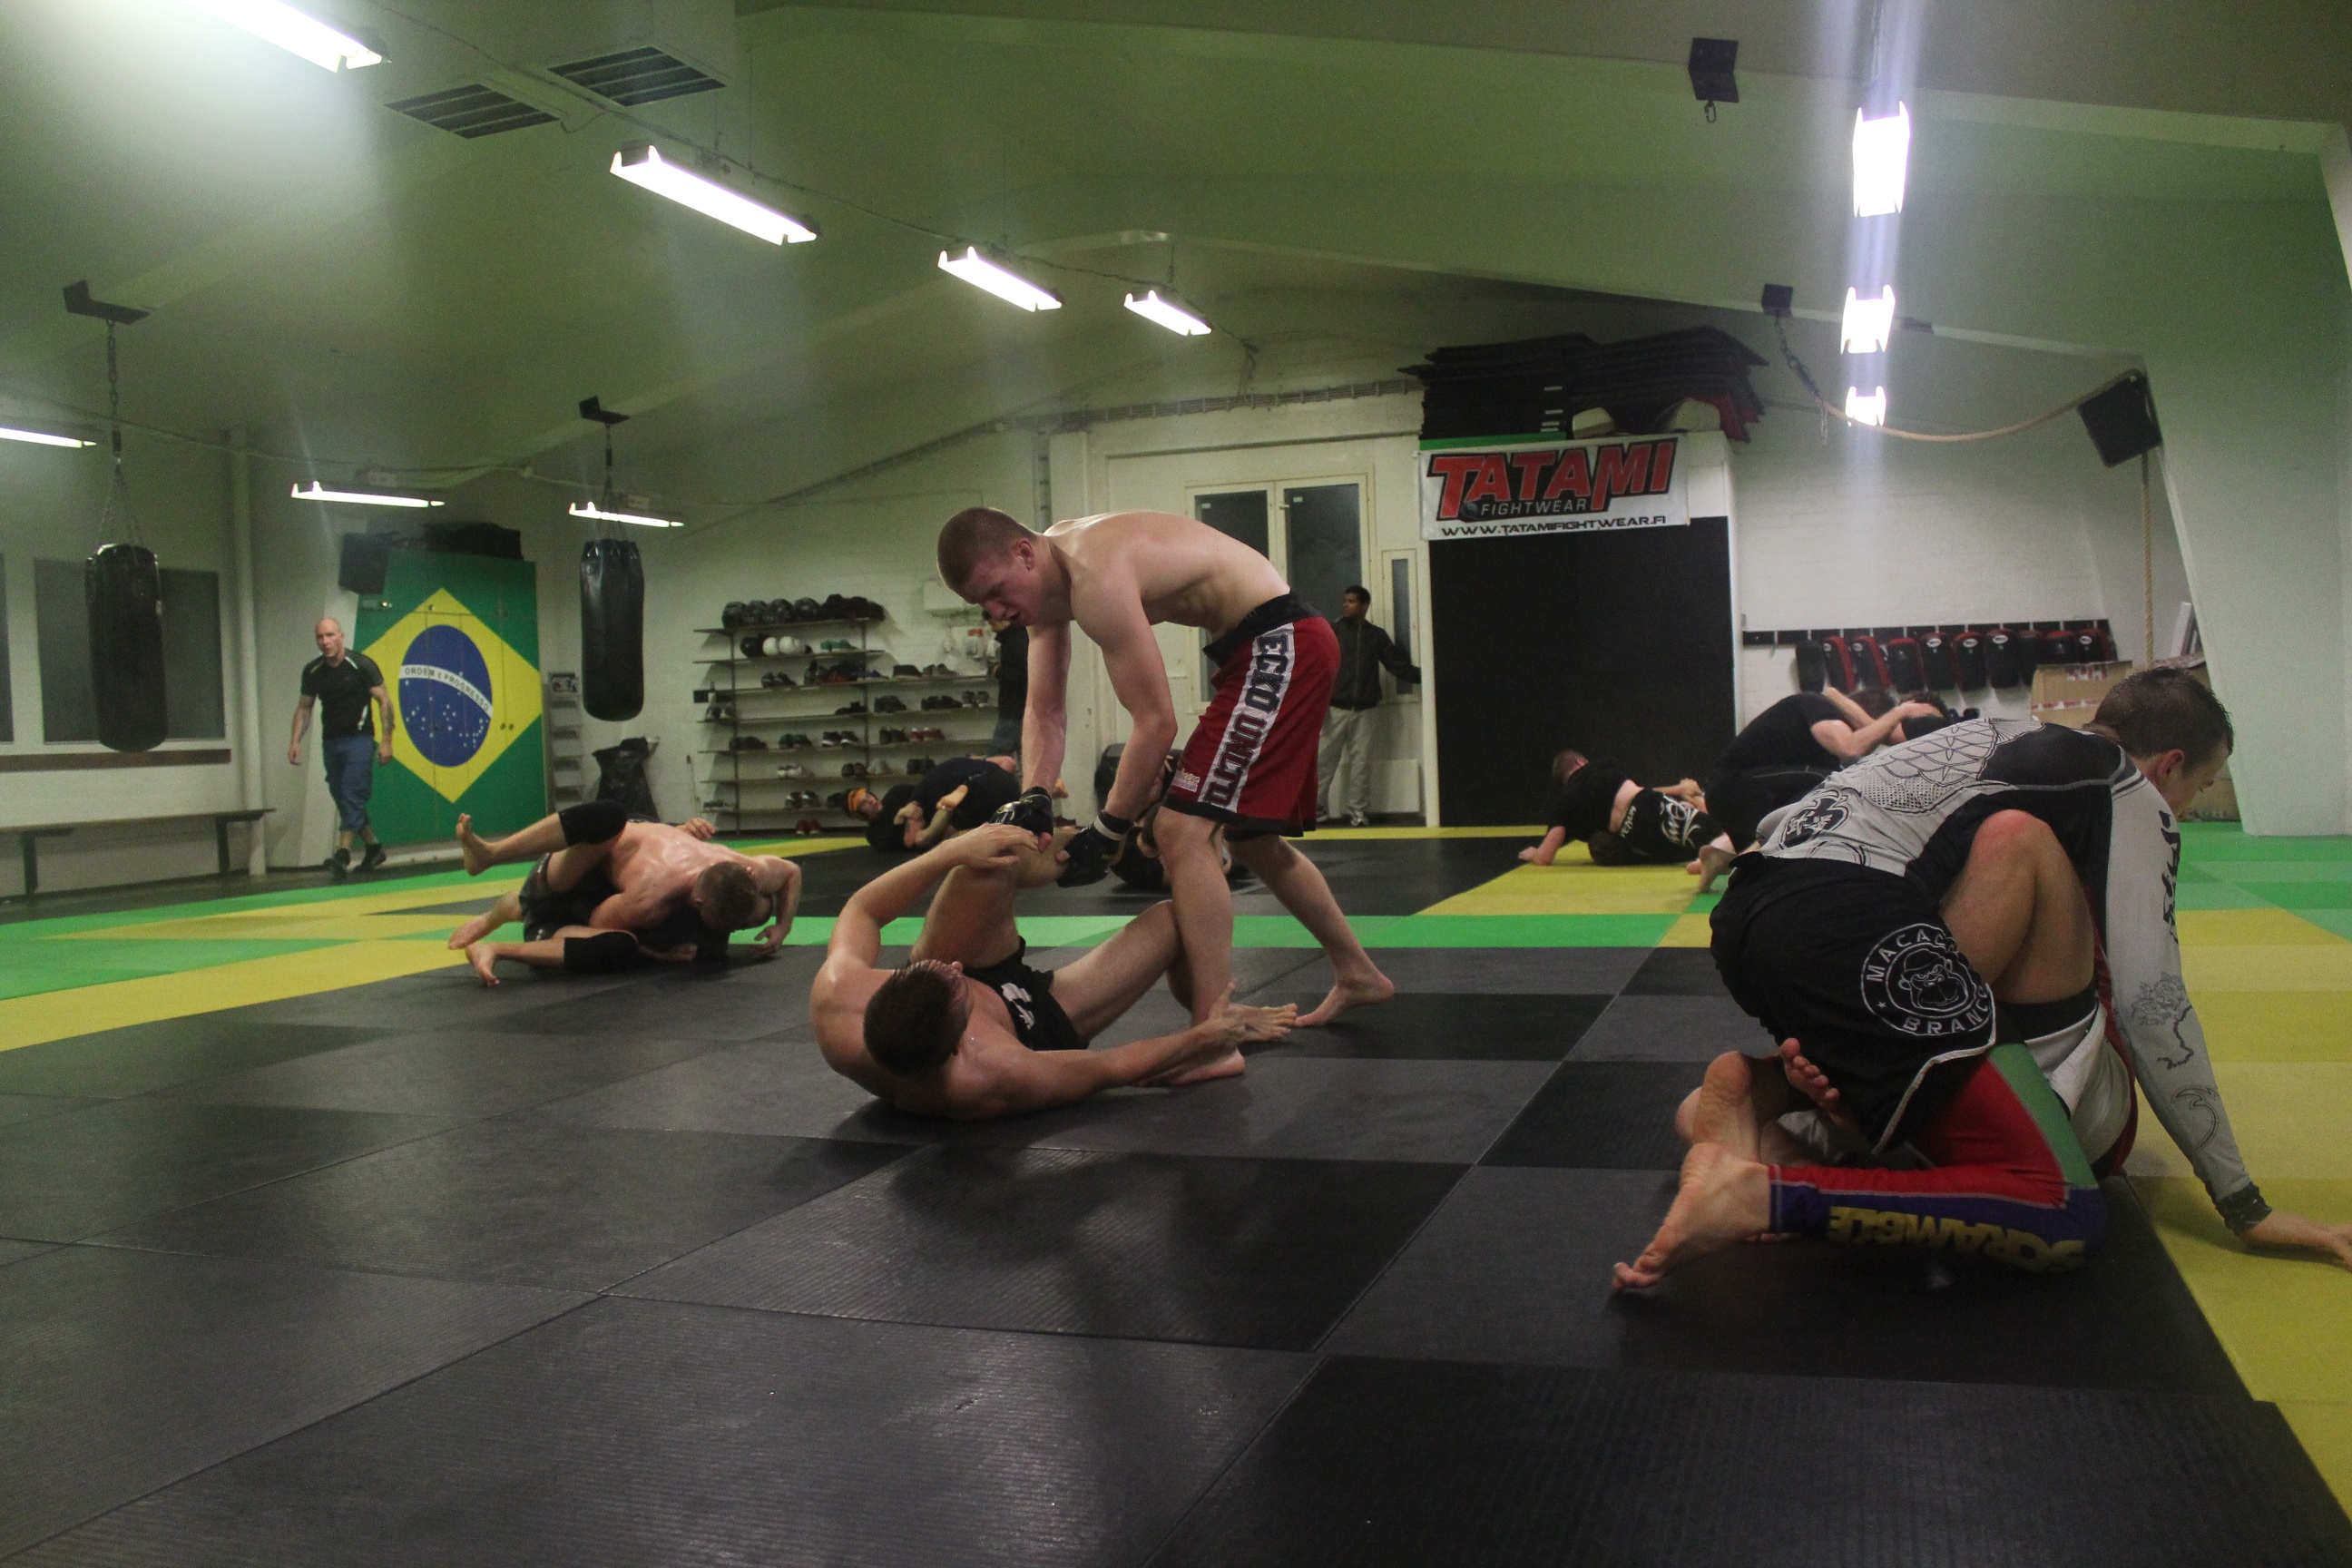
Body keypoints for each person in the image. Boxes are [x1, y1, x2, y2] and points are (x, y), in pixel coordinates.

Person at [1615, 669, 2352, 1288]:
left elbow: (1786, 824)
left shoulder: (1986, 735)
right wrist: (2244, 1203)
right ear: (2168, 766)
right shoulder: (2125, 789)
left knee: (1710, 1114)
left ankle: (1774, 1089)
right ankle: (1764, 1196)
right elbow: (2152, 1001)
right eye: (2201, 786)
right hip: (1864, 931)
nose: (2187, 807)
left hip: (1752, 909)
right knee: (2065, 1209)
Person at [937, 505, 1393, 1039]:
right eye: (981, 604)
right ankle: (1357, 971)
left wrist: (1107, 829)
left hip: (1281, 642)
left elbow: (1155, 722)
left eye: (996, 591)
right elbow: (1044, 712)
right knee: (1249, 840)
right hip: (1264, 647)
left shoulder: (1095, 574)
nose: (996, 612)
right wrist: (1035, 794)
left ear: (1023, 552)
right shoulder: (1047, 591)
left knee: (1180, 831)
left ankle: (1212, 1030)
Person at [811, 821, 1297, 1118]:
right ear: (960, 1041)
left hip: (973, 1004)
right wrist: (1208, 1035)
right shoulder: (997, 1076)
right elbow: (1111, 1068)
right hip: (1034, 1024)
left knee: (994, 854)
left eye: (937, 970)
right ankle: (1211, 1017)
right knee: (1175, 920)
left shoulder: (839, 995)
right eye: (957, 983)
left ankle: (1092, 846)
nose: (958, 967)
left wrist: (945, 853)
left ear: (887, 987)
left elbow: (862, 911)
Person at [446, 800, 799, 985]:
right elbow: (598, 920)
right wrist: (656, 954)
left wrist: (782, 927)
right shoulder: (651, 894)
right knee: (608, 820)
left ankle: (501, 915)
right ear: (699, 902)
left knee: (761, 910)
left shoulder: (746, 867)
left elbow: (792, 872)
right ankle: (492, 857)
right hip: (560, 886)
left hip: (624, 863)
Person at [1687, 686, 1945, 892]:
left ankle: (1723, 860)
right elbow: (1851, 748)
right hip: (1733, 789)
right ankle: (1745, 873)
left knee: (1832, 797)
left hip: (1746, 798)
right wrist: (1899, 714)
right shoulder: (1820, 706)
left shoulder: (1826, 736)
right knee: (1834, 787)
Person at [289, 617, 392, 878]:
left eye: (330, 635)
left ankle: (342, 853)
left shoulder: (362, 665)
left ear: (341, 637)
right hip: (331, 742)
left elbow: (384, 701)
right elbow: (305, 706)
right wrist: (295, 742)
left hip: (359, 739)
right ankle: (373, 847)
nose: (325, 642)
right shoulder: (312, 671)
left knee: (351, 794)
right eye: (320, 637)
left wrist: (387, 740)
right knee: (341, 796)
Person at [1319, 585, 1420, 828]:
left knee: (1360, 764)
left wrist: (1428, 675)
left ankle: (1357, 812)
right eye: (1345, 600)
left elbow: (1397, 666)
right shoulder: (1333, 631)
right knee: (1323, 761)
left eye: (1352, 601)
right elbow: (1319, 666)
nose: (1346, 605)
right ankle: (1316, 810)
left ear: (1364, 606)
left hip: (1366, 710)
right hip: (1335, 709)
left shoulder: (1377, 636)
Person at [1519, 750, 1713, 867]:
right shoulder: (1601, 766)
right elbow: (1640, 793)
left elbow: (1546, 856)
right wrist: (1679, 790)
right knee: (1716, 834)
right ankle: (1701, 806)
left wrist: (1534, 853)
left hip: (1633, 833)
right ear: (1580, 762)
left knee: (1688, 851)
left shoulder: (1565, 803)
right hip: (1647, 803)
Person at [850, 756, 1022, 853]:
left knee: (935, 837)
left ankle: (952, 805)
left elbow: (915, 840)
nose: (870, 800)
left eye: (868, 796)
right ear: (859, 815)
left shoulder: (904, 795)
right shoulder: (876, 833)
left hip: (975, 791)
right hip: (1006, 785)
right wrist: (898, 817)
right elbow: (1009, 763)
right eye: (863, 803)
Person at [986, 619, 1027, 767]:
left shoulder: (1015, 642)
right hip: (1021, 708)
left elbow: (1023, 674)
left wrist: (999, 672)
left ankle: (993, 788)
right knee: (1027, 761)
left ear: (1003, 620)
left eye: (993, 623)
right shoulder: (1019, 639)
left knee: (996, 761)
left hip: (1013, 709)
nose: (992, 628)